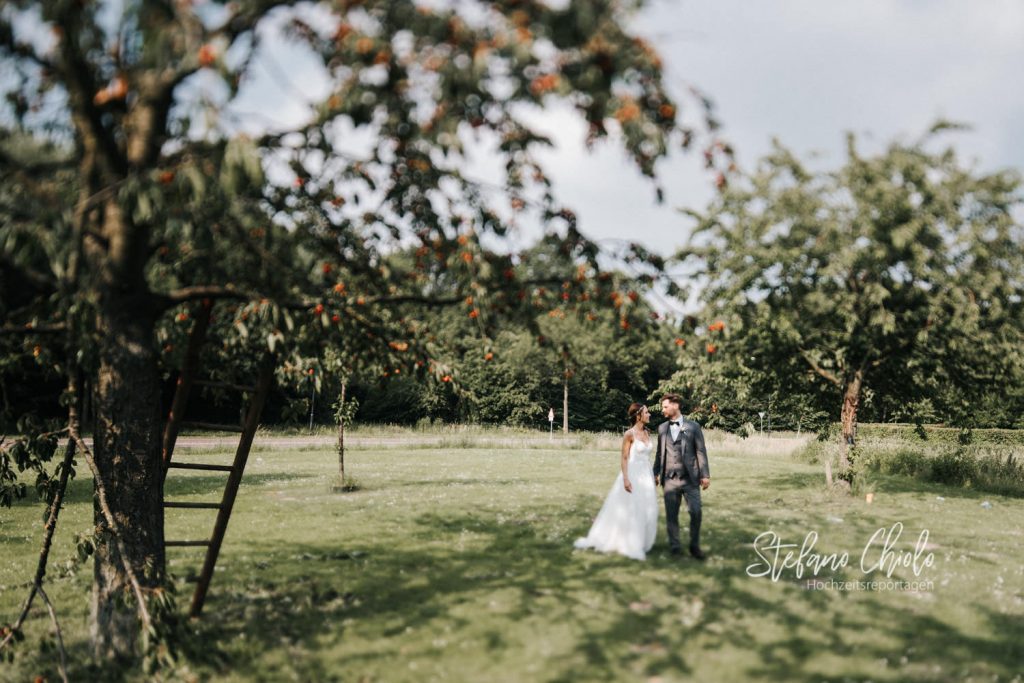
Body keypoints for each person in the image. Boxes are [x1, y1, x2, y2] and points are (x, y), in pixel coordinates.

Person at [573, 403, 658, 561]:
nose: (650, 414)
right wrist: (626, 478)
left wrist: (654, 475)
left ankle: (642, 540)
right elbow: (624, 457)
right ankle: (631, 542)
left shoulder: (648, 432)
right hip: (632, 473)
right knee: (633, 507)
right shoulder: (629, 434)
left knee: (647, 509)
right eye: (647, 412)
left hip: (646, 474)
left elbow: (648, 456)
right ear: (638, 415)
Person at [653, 393, 710, 559]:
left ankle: (694, 546)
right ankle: (675, 547)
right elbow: (659, 453)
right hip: (669, 479)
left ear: (675, 405)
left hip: (690, 479)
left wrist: (705, 474)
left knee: (696, 511)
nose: (662, 410)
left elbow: (700, 451)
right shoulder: (662, 428)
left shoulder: (693, 427)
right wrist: (655, 472)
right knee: (671, 515)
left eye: (665, 406)